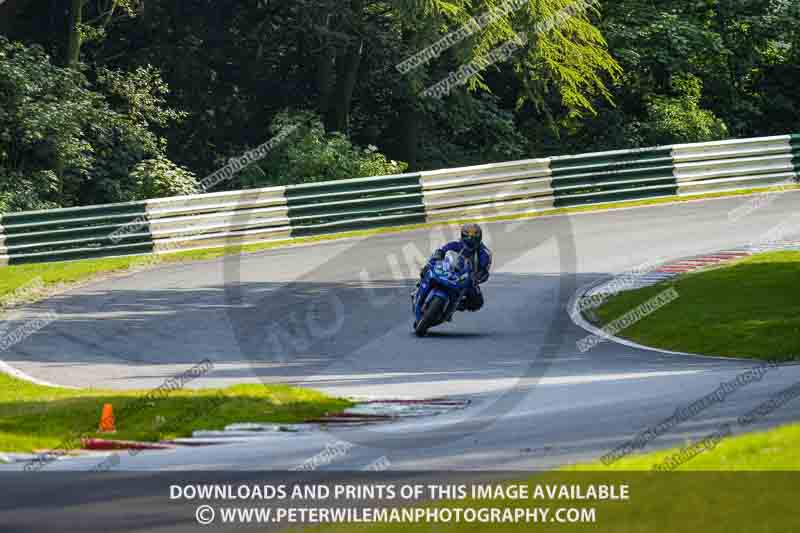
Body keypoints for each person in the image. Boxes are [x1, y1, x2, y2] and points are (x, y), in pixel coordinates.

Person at [417, 223, 492, 311]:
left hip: (467, 278)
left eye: (473, 239)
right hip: (448, 270)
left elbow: (484, 271)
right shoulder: (456, 244)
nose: (470, 241)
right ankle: (421, 286)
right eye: (467, 238)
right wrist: (433, 261)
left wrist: (477, 278)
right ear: (462, 236)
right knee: (427, 269)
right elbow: (440, 251)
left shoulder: (484, 253)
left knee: (478, 302)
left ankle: (454, 305)